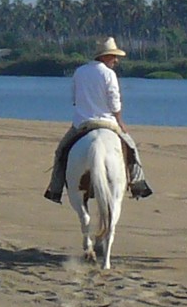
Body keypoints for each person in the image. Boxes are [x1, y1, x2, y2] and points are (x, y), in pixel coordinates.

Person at [44, 37, 153, 203]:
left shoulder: (79, 72)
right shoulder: (109, 74)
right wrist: (120, 120)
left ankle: (55, 189)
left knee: (61, 153)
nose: (116, 60)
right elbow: (114, 101)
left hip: (82, 123)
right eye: (113, 56)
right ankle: (138, 184)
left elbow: (74, 99)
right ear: (103, 56)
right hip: (107, 122)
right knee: (131, 148)